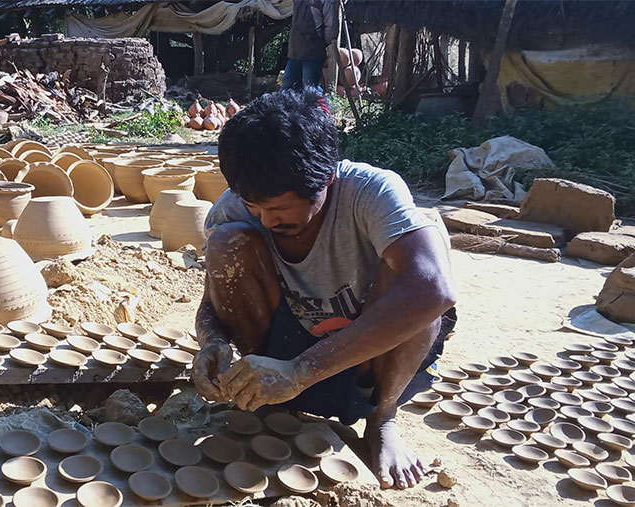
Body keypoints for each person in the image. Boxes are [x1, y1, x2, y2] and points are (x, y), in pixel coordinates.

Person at [191, 88, 457, 489]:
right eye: (255, 206)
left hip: (369, 360)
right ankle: (264, 392)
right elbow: (210, 303)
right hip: (284, 351)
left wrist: (301, 372)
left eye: (279, 208)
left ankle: (383, 419)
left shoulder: (371, 192)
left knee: (417, 281)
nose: (266, 219)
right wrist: (211, 340)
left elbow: (434, 290)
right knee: (227, 242)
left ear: (326, 178)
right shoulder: (236, 208)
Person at [281, 0, 340, 90]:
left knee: (310, 90)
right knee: (287, 88)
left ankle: (321, 104)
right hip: (295, 52)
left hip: (313, 54)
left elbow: (331, 27)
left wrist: (320, 44)